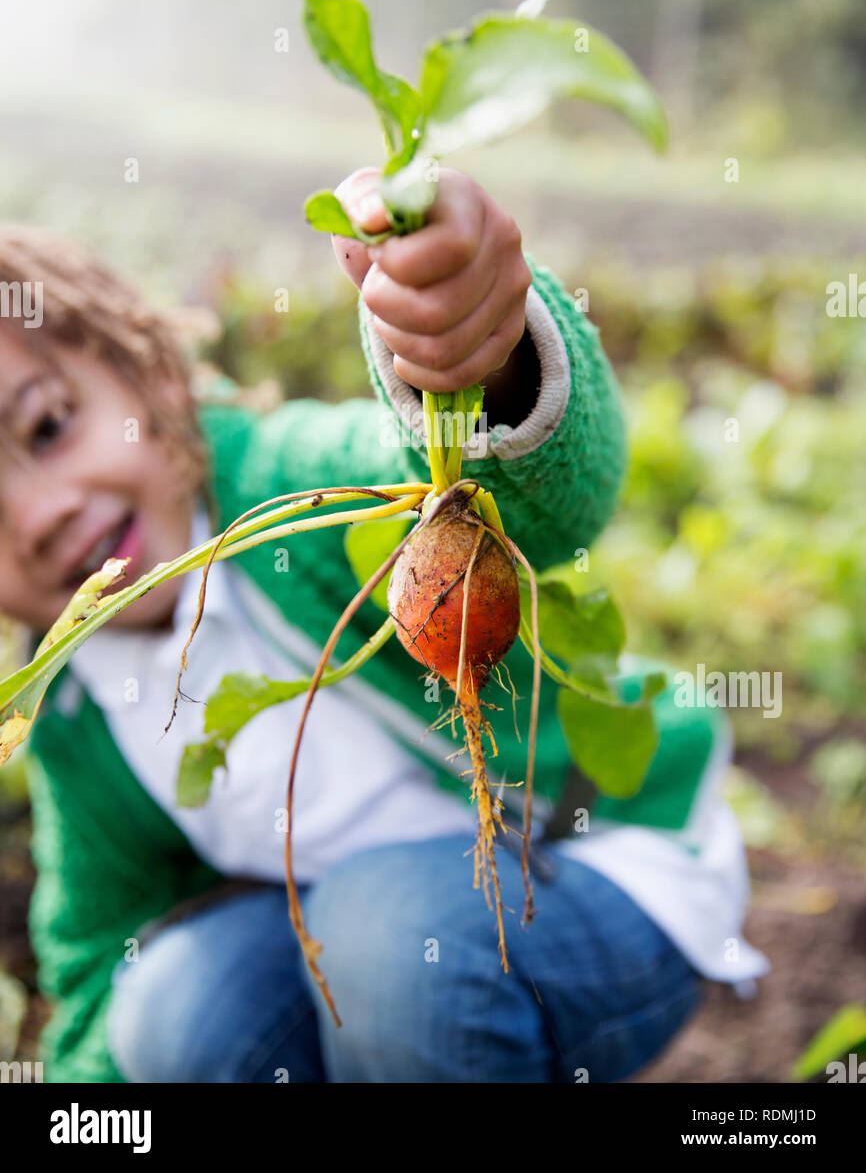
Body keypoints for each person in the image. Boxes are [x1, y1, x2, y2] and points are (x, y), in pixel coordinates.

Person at [0, 167, 768, 1084]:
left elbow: (535, 505)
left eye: (46, 428)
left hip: (607, 878)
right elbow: (99, 954)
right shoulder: (77, 710)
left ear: (145, 370)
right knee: (172, 1005)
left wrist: (483, 362)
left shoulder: (292, 491)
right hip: (376, 961)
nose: (40, 513)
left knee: (391, 937)